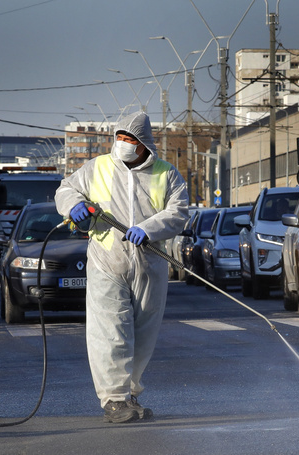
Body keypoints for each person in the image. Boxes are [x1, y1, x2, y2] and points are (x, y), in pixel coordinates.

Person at [55, 111, 189, 424]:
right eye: (120, 137)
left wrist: (149, 228)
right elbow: (66, 189)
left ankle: (130, 395)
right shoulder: (96, 168)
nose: (124, 144)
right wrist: (74, 205)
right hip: (107, 258)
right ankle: (114, 399)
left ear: (144, 143)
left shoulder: (166, 174)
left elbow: (179, 212)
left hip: (149, 261)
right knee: (110, 331)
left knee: (144, 333)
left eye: (130, 139)